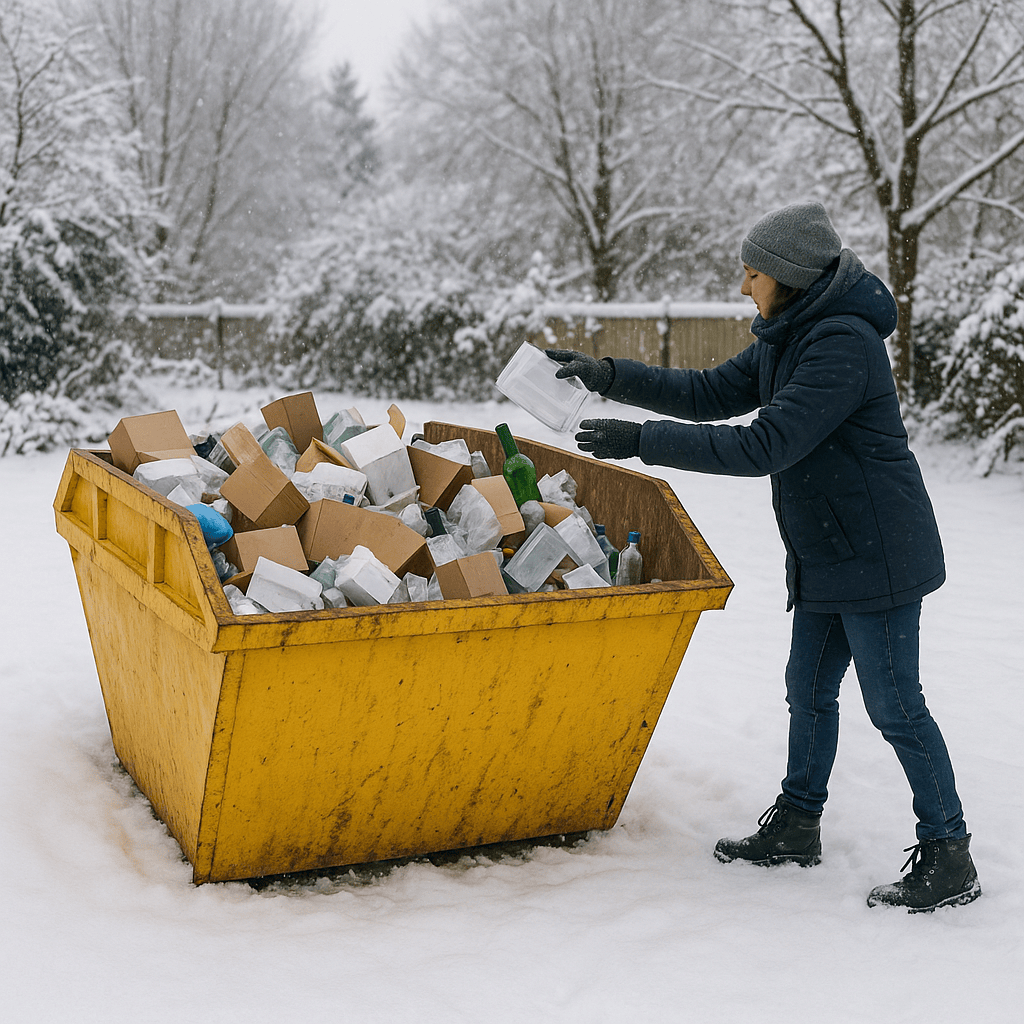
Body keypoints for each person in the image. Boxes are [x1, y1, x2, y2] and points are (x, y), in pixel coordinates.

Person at [546, 201, 981, 913]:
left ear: (790, 276)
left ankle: (949, 852)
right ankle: (797, 824)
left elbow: (764, 445)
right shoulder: (790, 333)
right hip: (826, 550)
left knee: (895, 705)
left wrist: (641, 441)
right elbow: (713, 391)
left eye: (752, 274)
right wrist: (605, 373)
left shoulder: (841, 344)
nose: (744, 286)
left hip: (879, 553)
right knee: (807, 691)